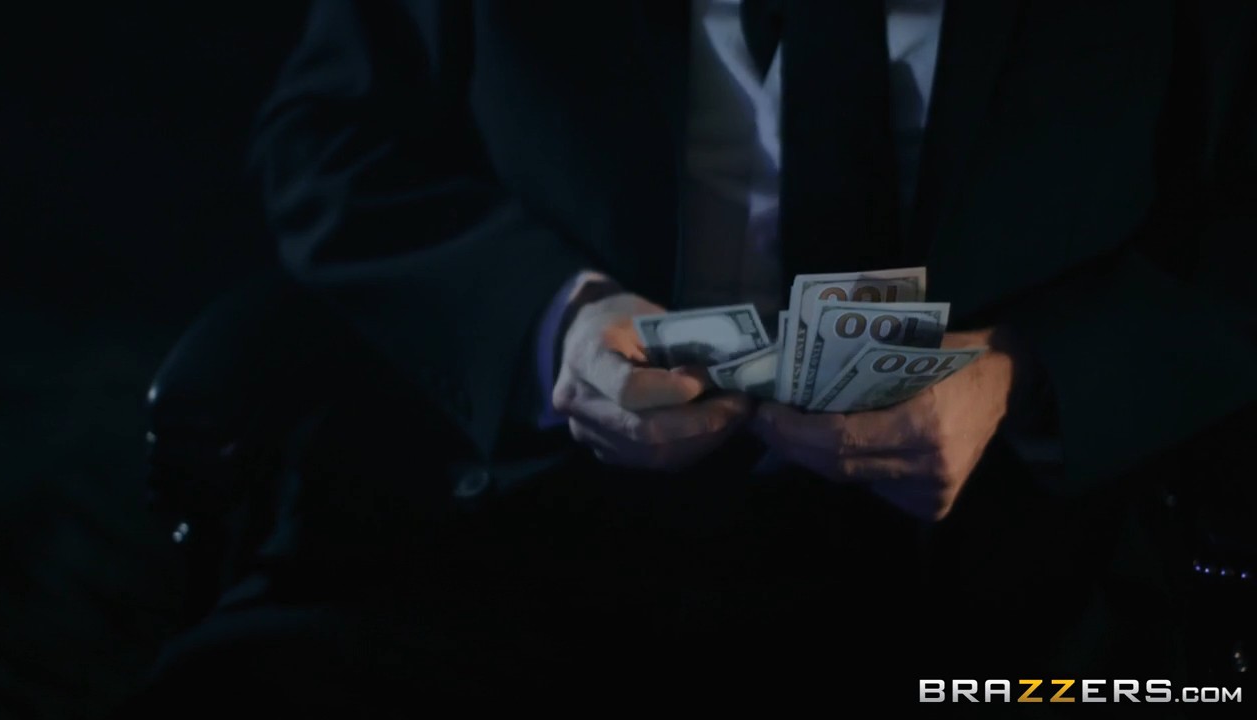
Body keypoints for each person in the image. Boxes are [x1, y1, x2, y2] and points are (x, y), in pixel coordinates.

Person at [124, 0, 1257, 712]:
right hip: (521, 533)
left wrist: (1023, 369)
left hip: (991, 597)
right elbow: (326, 137)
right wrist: (554, 320)